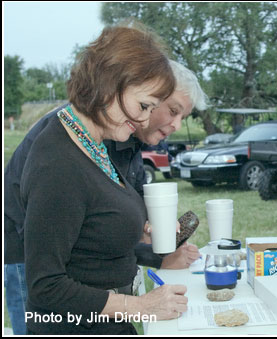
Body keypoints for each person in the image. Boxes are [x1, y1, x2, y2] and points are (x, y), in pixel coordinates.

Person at [4, 56, 207, 334]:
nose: (176, 124)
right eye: (172, 110)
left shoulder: (126, 138)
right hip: (28, 250)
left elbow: (108, 223)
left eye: (183, 117)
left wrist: (149, 237)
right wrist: (139, 304)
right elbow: (49, 282)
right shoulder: (81, 140)